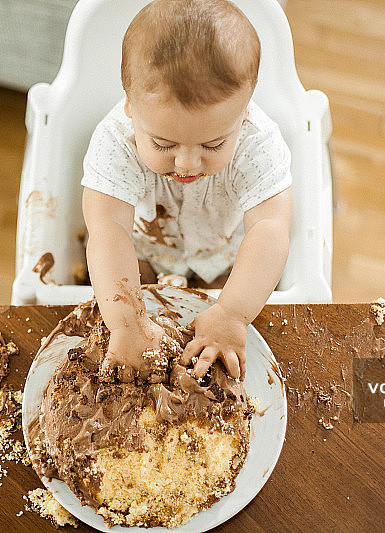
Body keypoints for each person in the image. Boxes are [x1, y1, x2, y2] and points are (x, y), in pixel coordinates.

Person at [81, 0, 292, 382]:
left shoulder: (258, 144)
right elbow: (108, 228)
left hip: (222, 256)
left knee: (225, 291)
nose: (187, 164)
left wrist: (232, 313)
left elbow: (270, 228)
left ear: (244, 111)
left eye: (212, 145)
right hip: (144, 250)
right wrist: (127, 323)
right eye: (164, 144)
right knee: (129, 280)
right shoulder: (115, 142)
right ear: (131, 106)